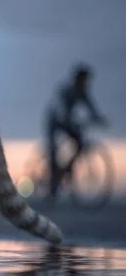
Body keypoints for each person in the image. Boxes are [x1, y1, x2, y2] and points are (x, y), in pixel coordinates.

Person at [45, 64, 106, 198]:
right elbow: (59, 107)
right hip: (54, 122)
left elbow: (92, 108)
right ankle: (52, 186)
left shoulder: (83, 93)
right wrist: (69, 119)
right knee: (53, 152)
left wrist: (99, 119)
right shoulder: (66, 90)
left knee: (79, 144)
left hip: (67, 122)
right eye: (84, 80)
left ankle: (67, 169)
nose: (86, 83)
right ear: (78, 79)